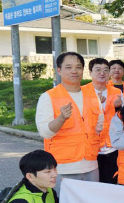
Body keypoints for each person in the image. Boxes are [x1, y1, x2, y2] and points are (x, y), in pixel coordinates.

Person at [35, 52, 101, 194]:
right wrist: (61, 118)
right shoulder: (48, 97)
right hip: (63, 168)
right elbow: (44, 132)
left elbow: (100, 123)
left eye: (78, 67)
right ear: (59, 70)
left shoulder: (92, 95)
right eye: (69, 67)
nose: (74, 71)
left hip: (91, 165)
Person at [83, 58, 123, 184]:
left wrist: (119, 107)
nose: (102, 73)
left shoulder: (116, 92)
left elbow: (122, 117)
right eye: (98, 70)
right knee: (93, 184)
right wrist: (97, 105)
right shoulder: (82, 92)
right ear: (90, 72)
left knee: (111, 183)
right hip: (91, 147)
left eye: (106, 70)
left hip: (112, 146)